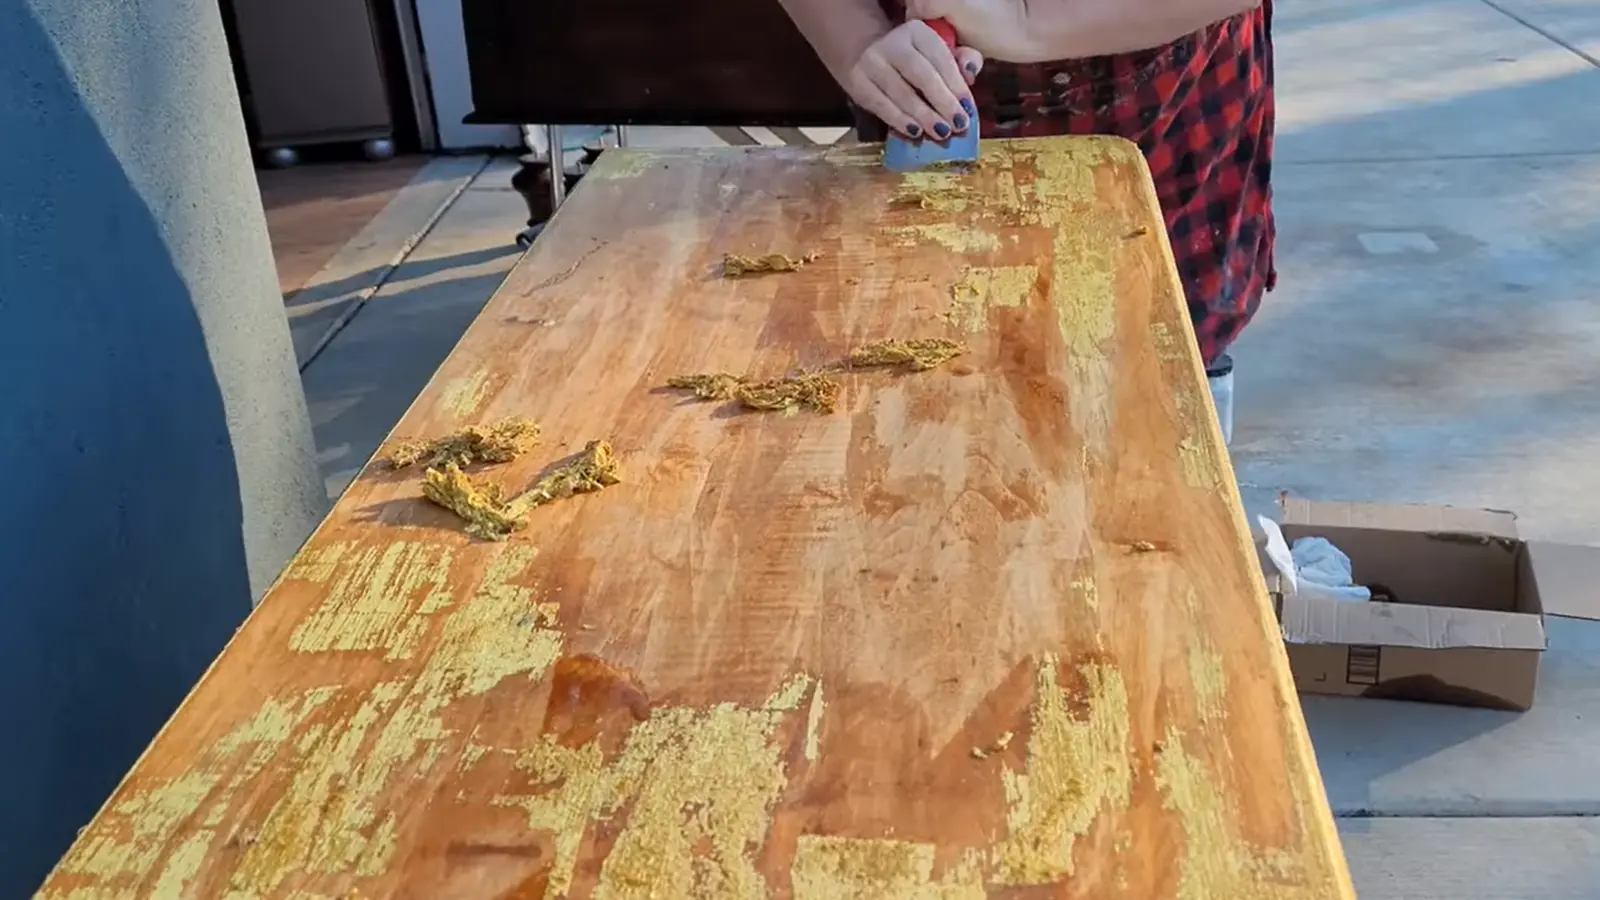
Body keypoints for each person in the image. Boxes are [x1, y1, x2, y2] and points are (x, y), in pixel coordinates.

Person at [779, 0, 1275, 444]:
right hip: (925, 111)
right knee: (935, 403)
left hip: (1163, 121)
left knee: (1156, 397)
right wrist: (857, 41)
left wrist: (1027, 24)